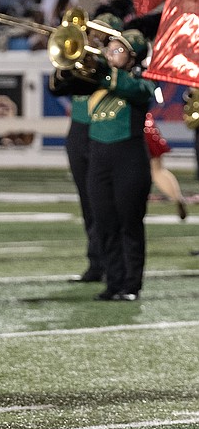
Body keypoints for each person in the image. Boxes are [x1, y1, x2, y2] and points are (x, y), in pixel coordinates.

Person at [86, 30, 156, 300]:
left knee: (129, 222)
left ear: (132, 57)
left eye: (118, 50)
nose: (110, 54)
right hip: (98, 157)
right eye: (109, 49)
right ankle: (113, 282)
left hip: (129, 157)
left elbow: (135, 91)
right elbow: (63, 85)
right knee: (104, 221)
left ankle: (131, 284)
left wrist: (106, 68)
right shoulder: (98, 77)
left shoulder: (143, 80)